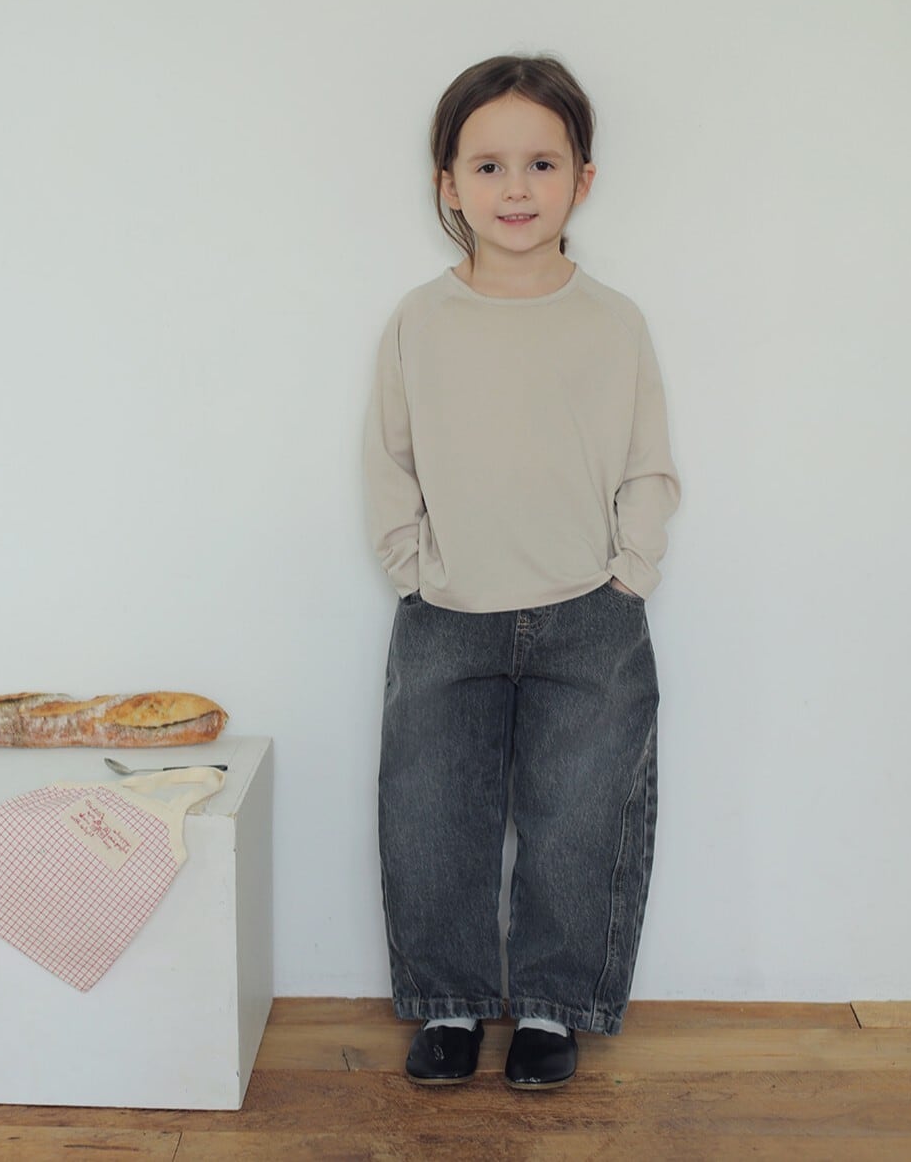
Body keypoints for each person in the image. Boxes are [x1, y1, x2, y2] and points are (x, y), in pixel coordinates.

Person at [363, 54, 680, 1090]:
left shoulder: (613, 321)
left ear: (582, 179)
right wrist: (411, 568)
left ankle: (554, 1006)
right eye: (488, 165)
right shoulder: (420, 319)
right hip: (447, 612)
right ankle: (448, 1003)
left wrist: (630, 573)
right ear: (448, 183)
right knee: (431, 815)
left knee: (582, 820)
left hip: (590, 613)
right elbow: (389, 457)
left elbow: (647, 461)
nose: (515, 188)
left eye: (541, 163)